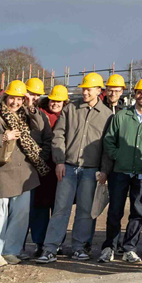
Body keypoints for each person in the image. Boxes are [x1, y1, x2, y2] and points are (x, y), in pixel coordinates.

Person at [37, 73, 113, 263]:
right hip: (68, 168)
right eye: (83, 88)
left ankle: (79, 247)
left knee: (85, 211)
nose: (85, 92)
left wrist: (104, 170)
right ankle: (50, 248)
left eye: (89, 89)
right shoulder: (71, 109)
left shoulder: (107, 115)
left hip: (90, 169)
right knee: (61, 209)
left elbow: (107, 145)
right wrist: (60, 161)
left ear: (98, 91)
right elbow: (59, 135)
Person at [0, 80, 52, 267]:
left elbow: (40, 126)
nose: (15, 103)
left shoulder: (26, 115)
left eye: (19, 99)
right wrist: (3, 137)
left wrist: (30, 105)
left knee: (21, 215)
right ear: (6, 98)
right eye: (12, 99)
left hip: (24, 174)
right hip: (2, 173)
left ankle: (11, 250)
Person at [98, 79, 142, 264]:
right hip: (120, 171)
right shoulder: (121, 116)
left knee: (138, 212)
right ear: (134, 94)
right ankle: (109, 247)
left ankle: (129, 248)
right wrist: (119, 155)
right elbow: (108, 140)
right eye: (139, 92)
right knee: (115, 211)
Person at [27, 85, 66, 258]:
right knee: (40, 207)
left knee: (59, 207)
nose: (55, 103)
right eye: (52, 100)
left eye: (58, 101)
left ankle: (57, 243)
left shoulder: (68, 116)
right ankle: (40, 243)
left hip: (61, 167)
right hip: (40, 167)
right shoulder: (39, 114)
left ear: (64, 102)